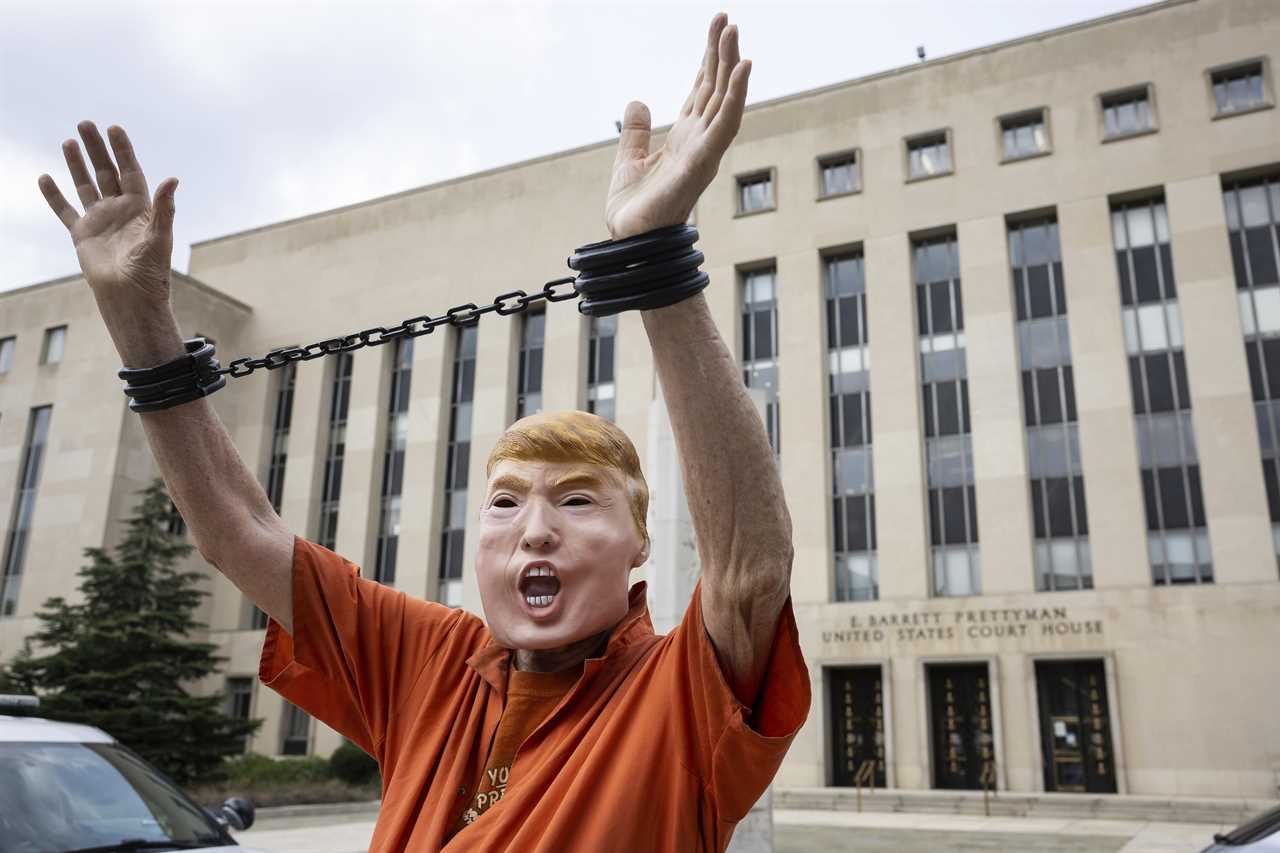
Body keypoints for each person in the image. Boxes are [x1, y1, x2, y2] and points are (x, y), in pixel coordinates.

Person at [38, 12, 809, 852]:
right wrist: (141, 322)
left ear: (638, 545)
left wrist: (656, 256)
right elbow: (238, 532)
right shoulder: (428, 661)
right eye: (505, 501)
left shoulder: (681, 698)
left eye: (580, 500)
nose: (535, 529)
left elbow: (749, 565)